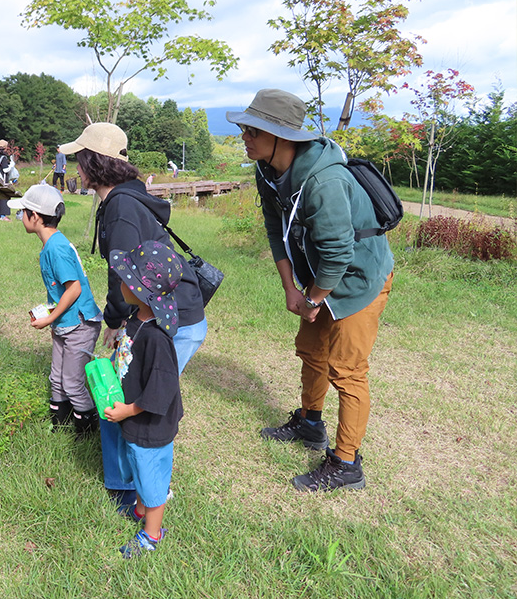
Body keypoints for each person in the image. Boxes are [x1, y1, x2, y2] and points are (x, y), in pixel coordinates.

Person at [226, 88, 394, 492]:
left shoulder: (324, 180)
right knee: (311, 350)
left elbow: (339, 255)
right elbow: (274, 230)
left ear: (282, 137)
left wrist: (315, 298)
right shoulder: (267, 170)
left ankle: (347, 463)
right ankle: (310, 423)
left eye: (252, 131)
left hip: (358, 279)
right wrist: (291, 289)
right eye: (245, 129)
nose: (244, 137)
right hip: (319, 277)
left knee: (347, 370)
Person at [58, 123, 207, 505]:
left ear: (94, 162)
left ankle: (146, 493)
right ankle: (130, 484)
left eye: (79, 158)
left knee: (139, 404)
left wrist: (114, 321)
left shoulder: (122, 207)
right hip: (153, 311)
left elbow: (121, 273)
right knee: (126, 397)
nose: (76, 167)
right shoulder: (122, 199)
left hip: (172, 318)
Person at [104, 240, 184, 558]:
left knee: (151, 477)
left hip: (150, 422)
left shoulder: (157, 338)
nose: (119, 282)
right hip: (135, 417)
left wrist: (129, 410)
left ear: (141, 289)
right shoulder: (138, 318)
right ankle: (140, 509)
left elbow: (161, 390)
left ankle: (152, 533)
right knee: (139, 467)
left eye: (126, 278)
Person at [8, 183, 102, 436]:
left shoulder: (56, 248)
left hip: (80, 323)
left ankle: (88, 433)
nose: (21, 218)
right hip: (66, 322)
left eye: (23, 212)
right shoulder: (51, 244)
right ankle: (59, 427)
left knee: (72, 383)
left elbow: (73, 290)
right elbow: (58, 290)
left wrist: (50, 318)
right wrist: (54, 321)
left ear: (35, 217)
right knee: (57, 379)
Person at [0, 139, 14, 221]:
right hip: (3, 178)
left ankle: (0, 215)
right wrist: (12, 165)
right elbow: (5, 169)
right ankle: (3, 216)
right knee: (4, 196)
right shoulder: (4, 157)